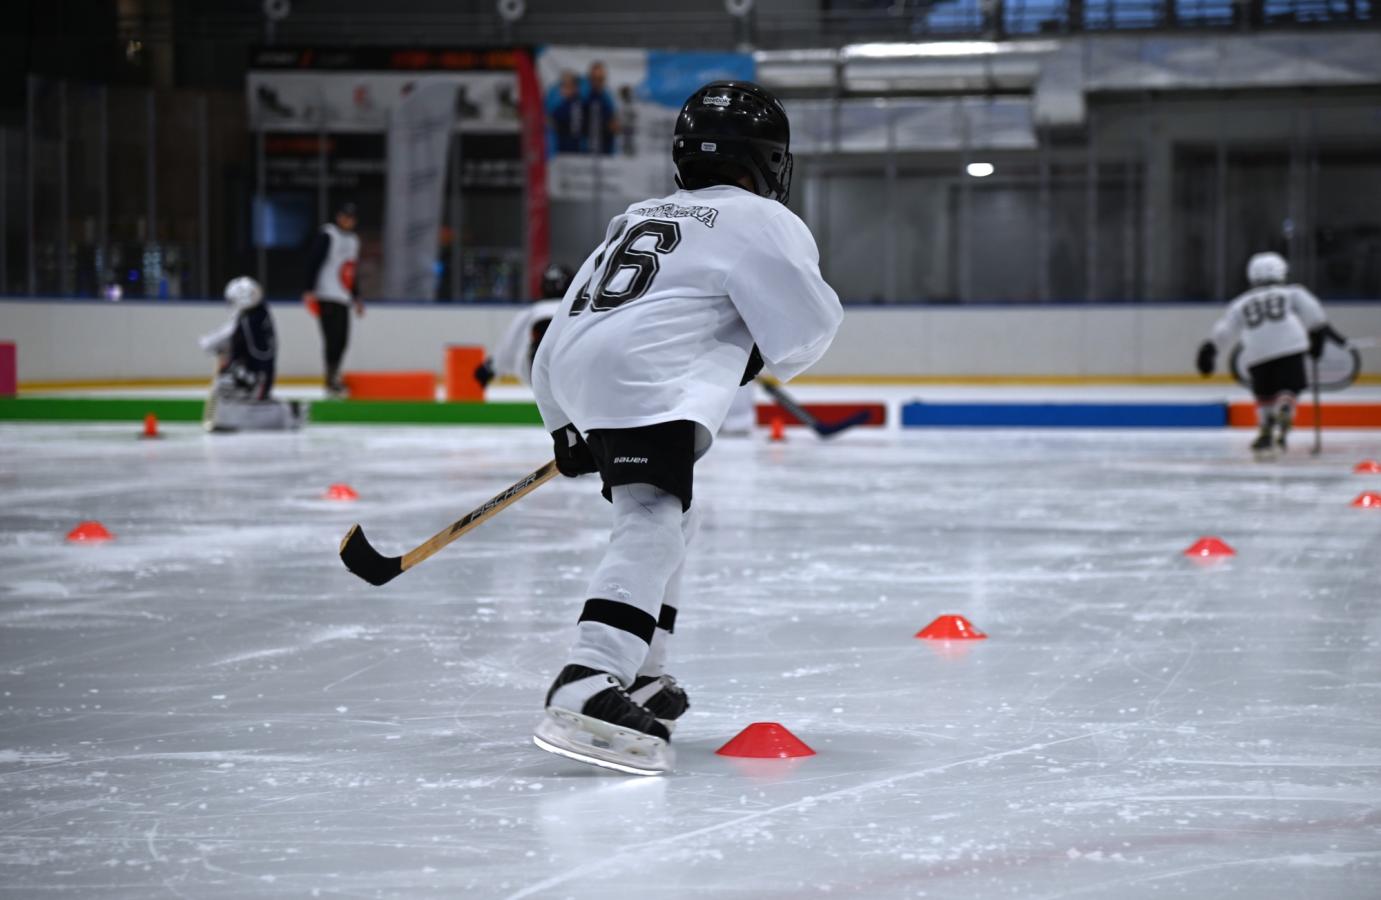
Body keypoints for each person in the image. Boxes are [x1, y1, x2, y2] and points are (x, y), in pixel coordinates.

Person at [529, 80, 843, 774]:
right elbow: (807, 331)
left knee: (673, 516)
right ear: (767, 159)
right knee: (650, 516)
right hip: (644, 374)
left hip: (573, 366)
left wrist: (561, 423)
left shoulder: (638, 214)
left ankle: (642, 671)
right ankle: (589, 676)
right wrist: (751, 351)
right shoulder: (760, 218)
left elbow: (565, 323)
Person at [1196, 251, 1347, 457]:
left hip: (1256, 351)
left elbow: (1224, 329)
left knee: (1264, 394)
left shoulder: (1241, 302)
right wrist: (1318, 336)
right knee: (1290, 386)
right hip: (1291, 345)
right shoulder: (1292, 293)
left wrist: (1209, 350)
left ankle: (1265, 431)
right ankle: (1285, 404)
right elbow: (1314, 314)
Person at [198, 276, 303, 432]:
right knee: (226, 375)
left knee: (223, 382)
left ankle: (224, 417)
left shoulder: (249, 320)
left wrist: (210, 345)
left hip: (256, 378)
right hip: (261, 376)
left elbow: (216, 340)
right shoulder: (260, 313)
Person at [475, 264, 573, 389]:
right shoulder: (578, 311)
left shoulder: (532, 312)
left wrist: (490, 368)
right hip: (572, 371)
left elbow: (508, 345)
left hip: (537, 375)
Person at [303, 202, 363, 397]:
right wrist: (309, 289)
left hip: (342, 296)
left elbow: (351, 270)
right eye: (344, 216)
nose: (347, 220)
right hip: (326, 294)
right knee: (331, 338)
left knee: (342, 339)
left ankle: (335, 374)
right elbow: (313, 261)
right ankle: (330, 379)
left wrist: (356, 296)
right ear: (338, 217)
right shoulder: (328, 235)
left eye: (351, 218)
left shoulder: (353, 241)